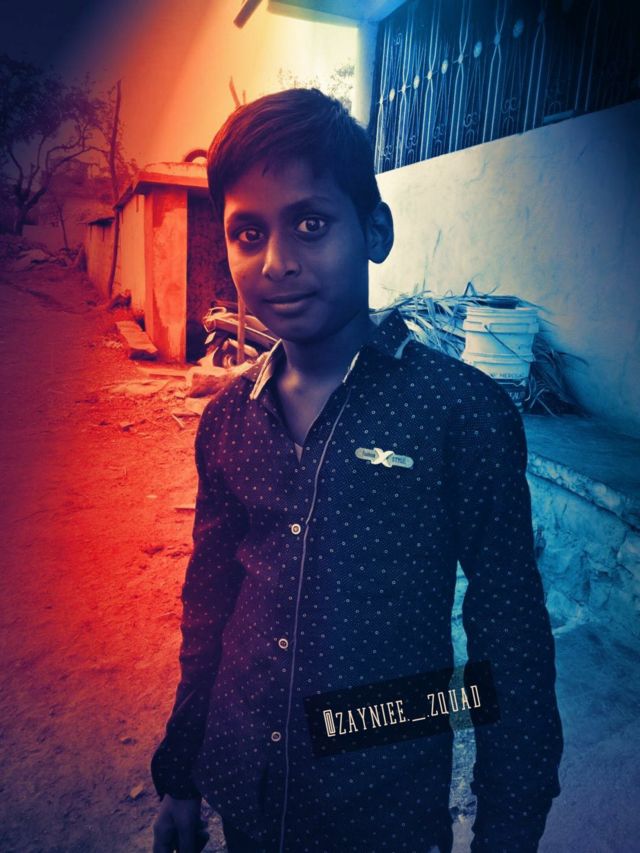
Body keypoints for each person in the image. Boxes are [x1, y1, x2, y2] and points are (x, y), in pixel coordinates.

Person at [151, 88, 563, 853]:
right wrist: (182, 773)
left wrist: (510, 823)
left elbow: (508, 635)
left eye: (310, 223)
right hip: (245, 794)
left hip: (381, 813)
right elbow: (209, 605)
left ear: (375, 230)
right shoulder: (228, 422)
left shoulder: (458, 415)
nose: (278, 261)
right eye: (248, 232)